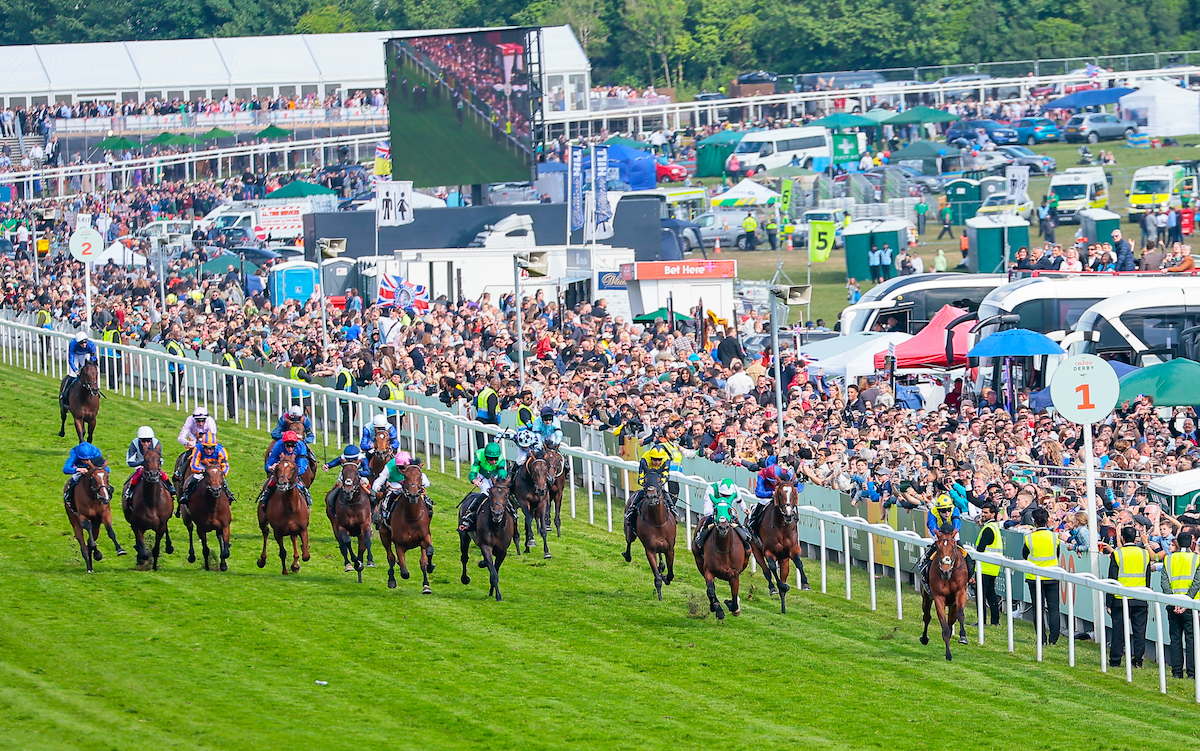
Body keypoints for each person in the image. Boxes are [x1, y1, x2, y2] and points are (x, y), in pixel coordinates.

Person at [1107, 526, 1152, 668]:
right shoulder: (1145, 554)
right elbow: (1148, 577)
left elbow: (1112, 579)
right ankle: (1138, 660)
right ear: (1136, 538)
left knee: (1118, 631)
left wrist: (1108, 602)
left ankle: (1115, 660)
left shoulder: (1117, 554)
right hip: (1140, 597)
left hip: (1120, 598)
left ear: (1122, 538)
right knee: (1139, 631)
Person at [1021, 507, 1061, 645]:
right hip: (1052, 576)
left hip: (1034, 577)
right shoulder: (1054, 536)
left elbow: (1024, 555)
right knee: (1054, 608)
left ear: (1034, 521)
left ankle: (1042, 639)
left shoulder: (1029, 538)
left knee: (1037, 608)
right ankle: (1053, 640)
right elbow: (1057, 553)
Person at [1161, 531, 1197, 679]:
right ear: (1191, 543)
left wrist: (1175, 601)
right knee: (1191, 639)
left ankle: (1176, 672)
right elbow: (1197, 583)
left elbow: (1164, 582)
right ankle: (1192, 672)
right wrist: (1186, 601)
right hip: (1191, 605)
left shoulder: (1168, 559)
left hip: (1173, 604)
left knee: (1175, 638)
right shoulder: (1197, 559)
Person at [458, 442, 512, 531]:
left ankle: (512, 514)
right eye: (491, 459)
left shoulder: (501, 459)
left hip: (494, 476)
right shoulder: (479, 455)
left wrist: (501, 480)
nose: (494, 462)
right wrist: (474, 480)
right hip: (482, 475)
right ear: (486, 457)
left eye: (495, 459)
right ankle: (469, 513)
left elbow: (501, 471)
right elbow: (474, 470)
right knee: (486, 492)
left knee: (500, 494)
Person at [694, 478, 751, 554]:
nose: (726, 497)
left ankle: (746, 543)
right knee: (706, 523)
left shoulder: (735, 489)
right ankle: (700, 540)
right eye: (723, 495)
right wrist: (720, 511)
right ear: (720, 492)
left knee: (739, 525)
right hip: (714, 514)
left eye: (728, 496)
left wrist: (744, 508)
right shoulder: (711, 489)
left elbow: (739, 500)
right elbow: (706, 512)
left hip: (729, 514)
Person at [370, 450, 432, 521]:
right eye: (400, 467)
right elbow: (376, 483)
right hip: (395, 485)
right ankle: (386, 511)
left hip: (411, 486)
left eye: (405, 467)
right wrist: (379, 488)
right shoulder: (389, 467)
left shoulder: (414, 468)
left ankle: (428, 508)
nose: (403, 469)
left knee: (420, 494)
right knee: (396, 490)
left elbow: (427, 483)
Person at [259, 430, 312, 507]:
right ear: (283, 444)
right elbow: (268, 464)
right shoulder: (278, 445)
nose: (290, 449)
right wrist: (271, 467)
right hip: (281, 467)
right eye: (287, 446)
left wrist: (292, 472)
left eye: (293, 446)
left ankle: (306, 496)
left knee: (299, 482)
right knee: (273, 479)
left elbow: (302, 467)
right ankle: (266, 495)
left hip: (294, 468)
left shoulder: (301, 446)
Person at [748, 456, 796, 538]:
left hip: (783, 497)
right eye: (771, 481)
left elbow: (800, 485)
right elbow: (758, 492)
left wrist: (792, 491)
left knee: (790, 508)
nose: (774, 483)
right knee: (759, 505)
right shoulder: (761, 474)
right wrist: (771, 493)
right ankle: (752, 523)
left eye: (775, 481)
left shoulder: (786, 472)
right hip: (768, 497)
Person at [919, 494, 961, 582]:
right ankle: (924, 566)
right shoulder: (933, 511)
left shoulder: (955, 509)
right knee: (933, 550)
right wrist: (937, 534)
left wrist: (954, 532)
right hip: (938, 533)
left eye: (948, 510)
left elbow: (957, 522)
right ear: (938, 510)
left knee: (964, 552)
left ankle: (970, 575)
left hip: (952, 533)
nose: (947, 513)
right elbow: (931, 524)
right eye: (943, 511)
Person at [124, 426, 169, 505]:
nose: (146, 444)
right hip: (141, 465)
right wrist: (141, 462)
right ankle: (130, 490)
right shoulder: (134, 443)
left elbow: (160, 459)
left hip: (153, 465)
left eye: (148, 441)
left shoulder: (156, 443)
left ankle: (170, 486)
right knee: (139, 473)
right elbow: (129, 461)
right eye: (143, 441)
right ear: (139, 440)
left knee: (161, 473)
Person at [974, 502, 1003, 627]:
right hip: (992, 567)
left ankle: (982, 621)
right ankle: (995, 621)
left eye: (986, 513)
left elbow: (980, 549)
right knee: (991, 595)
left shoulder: (988, 529)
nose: (983, 514)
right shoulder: (993, 527)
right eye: (983, 512)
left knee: (981, 595)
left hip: (984, 567)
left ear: (993, 514)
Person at [180, 433, 230, 503]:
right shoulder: (198, 448)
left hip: (215, 465)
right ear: (203, 446)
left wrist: (221, 474)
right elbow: (193, 465)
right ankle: (186, 494)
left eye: (211, 448)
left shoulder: (221, 450)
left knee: (222, 479)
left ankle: (229, 494)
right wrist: (201, 471)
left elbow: (226, 466)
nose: (209, 451)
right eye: (206, 448)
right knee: (196, 477)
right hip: (203, 464)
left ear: (215, 447)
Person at [62, 441, 107, 509]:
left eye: (88, 459)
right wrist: (77, 469)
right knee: (73, 479)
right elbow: (66, 469)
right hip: (79, 469)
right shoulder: (74, 453)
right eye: (83, 459)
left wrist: (97, 470)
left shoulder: (96, 453)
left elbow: (107, 469)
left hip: (94, 470)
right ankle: (68, 497)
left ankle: (107, 495)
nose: (86, 462)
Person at [60, 331, 98, 403]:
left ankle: (94, 391)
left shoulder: (91, 345)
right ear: (77, 343)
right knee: (72, 374)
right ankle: (64, 392)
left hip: (85, 355)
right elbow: (71, 360)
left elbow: (93, 358)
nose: (84, 345)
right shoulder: (73, 344)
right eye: (81, 343)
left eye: (85, 342)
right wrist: (76, 370)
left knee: (89, 373)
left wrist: (91, 366)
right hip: (76, 355)